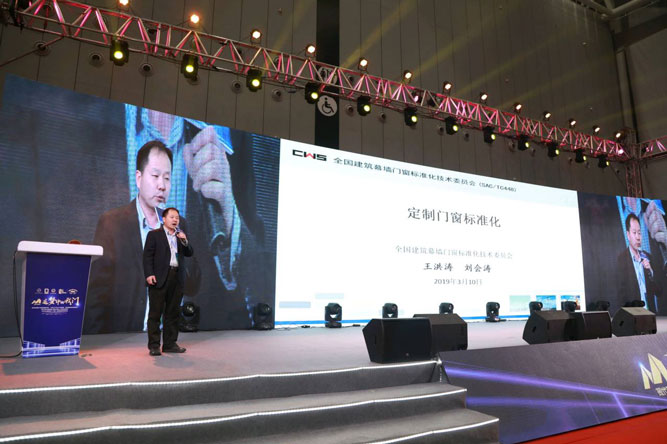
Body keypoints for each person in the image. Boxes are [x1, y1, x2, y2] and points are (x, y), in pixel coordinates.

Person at [84, 140, 199, 333]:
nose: (162, 185)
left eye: (167, 178)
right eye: (155, 176)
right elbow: (96, 296)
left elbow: (193, 285)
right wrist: (101, 342)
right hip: (125, 338)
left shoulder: (179, 224)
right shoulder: (112, 223)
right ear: (139, 178)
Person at [143, 207, 193, 356]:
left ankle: (170, 344)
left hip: (176, 277)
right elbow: (147, 256)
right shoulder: (154, 235)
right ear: (164, 219)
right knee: (155, 313)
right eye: (172, 217)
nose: (175, 220)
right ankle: (154, 345)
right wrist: (149, 274)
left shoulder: (180, 236)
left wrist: (184, 241)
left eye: (177, 217)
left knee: (173, 313)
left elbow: (189, 253)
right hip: (159, 278)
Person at [617, 213, 663, 312]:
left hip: (650, 313)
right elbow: (621, 295)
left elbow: (659, 291)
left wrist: (650, 271)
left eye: (639, 233)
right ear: (628, 235)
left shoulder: (648, 257)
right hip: (633, 313)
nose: (638, 237)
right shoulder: (621, 260)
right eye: (634, 233)